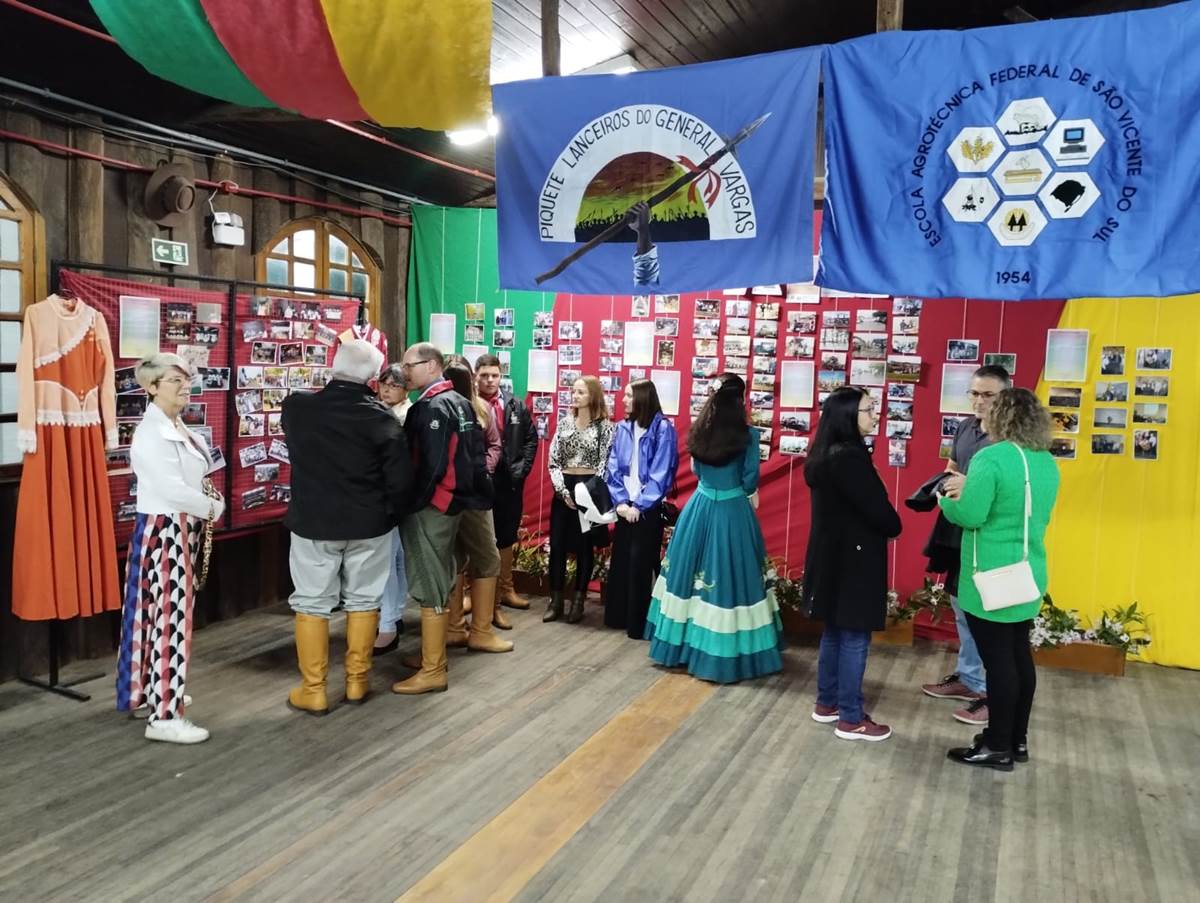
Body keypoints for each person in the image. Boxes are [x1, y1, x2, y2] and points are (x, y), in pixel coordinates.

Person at [282, 340, 411, 715]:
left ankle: (314, 689)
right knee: (365, 600)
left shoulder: (297, 407)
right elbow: (400, 481)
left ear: (333, 366)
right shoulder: (382, 419)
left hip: (313, 521)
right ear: (374, 376)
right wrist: (389, 514)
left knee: (311, 602)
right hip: (370, 523)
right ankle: (357, 681)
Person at [940, 388, 1059, 771]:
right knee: (1019, 657)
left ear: (1000, 417)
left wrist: (946, 498)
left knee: (999, 664)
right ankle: (1016, 740)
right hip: (1027, 573)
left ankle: (996, 745)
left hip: (990, 576)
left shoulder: (990, 457)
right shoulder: (1045, 461)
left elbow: (971, 515)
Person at [644, 373, 781, 682]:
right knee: (733, 578)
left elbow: (696, 469)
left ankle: (682, 646)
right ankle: (726, 651)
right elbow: (750, 479)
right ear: (741, 400)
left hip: (699, 507)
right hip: (733, 511)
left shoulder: (699, 430)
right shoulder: (749, 436)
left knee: (687, 577)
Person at [117, 353, 225, 744]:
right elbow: (171, 489)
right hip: (166, 531)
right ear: (151, 387)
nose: (184, 386)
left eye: (186, 378)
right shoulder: (152, 433)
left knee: (155, 617)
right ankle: (164, 716)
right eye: (174, 380)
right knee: (170, 621)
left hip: (175, 528)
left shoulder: (173, 424)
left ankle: (153, 691)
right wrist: (213, 507)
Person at [394, 343, 498, 695]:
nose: (405, 372)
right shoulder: (460, 402)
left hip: (434, 508)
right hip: (451, 504)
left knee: (430, 583)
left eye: (410, 365)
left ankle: (433, 668)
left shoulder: (433, 407)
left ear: (432, 365)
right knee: (440, 579)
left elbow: (433, 465)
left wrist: (417, 502)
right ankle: (433, 657)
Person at [802, 386, 902, 742]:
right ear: (847, 416)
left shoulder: (825, 453)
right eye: (868, 410)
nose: (876, 415)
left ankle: (828, 702)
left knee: (835, 631)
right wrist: (892, 521)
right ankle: (851, 717)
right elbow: (881, 514)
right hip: (854, 559)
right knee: (855, 636)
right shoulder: (848, 458)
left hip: (833, 555)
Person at [920, 364, 1011, 727]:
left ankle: (993, 693)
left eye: (988, 394)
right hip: (958, 527)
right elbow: (952, 467)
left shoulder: (1012, 438)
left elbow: (1007, 491)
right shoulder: (963, 428)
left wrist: (967, 488)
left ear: (1005, 396)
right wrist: (939, 486)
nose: (979, 401)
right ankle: (970, 679)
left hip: (990, 534)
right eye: (974, 393)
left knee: (989, 615)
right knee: (960, 604)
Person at [425, 354, 512, 650]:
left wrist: (483, 469)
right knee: (455, 559)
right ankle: (455, 628)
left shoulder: (480, 408)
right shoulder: (436, 408)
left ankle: (480, 631)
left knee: (485, 557)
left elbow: (494, 444)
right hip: (449, 498)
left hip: (474, 495)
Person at [603, 379, 678, 638]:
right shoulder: (622, 428)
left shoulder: (663, 429)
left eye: (628, 395)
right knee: (621, 562)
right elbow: (613, 467)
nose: (623, 399)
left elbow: (661, 473)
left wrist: (640, 505)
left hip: (647, 511)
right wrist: (621, 502)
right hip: (624, 508)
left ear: (642, 398)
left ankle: (638, 624)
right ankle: (618, 618)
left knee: (641, 565)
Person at [545, 377, 615, 624]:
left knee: (585, 547)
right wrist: (563, 491)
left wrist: (587, 492)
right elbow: (554, 461)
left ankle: (578, 600)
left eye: (581, 392)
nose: (575, 396)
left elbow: (605, 463)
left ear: (593, 395)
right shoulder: (564, 423)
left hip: (589, 490)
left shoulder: (605, 427)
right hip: (564, 489)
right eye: (573, 391)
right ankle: (555, 601)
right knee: (557, 546)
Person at [474, 354, 538, 617]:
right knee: (475, 536)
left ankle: (506, 589)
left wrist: (521, 471)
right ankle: (469, 593)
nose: (490, 380)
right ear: (476, 376)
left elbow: (531, 439)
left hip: (509, 481)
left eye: (495, 375)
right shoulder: (468, 404)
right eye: (484, 375)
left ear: (501, 376)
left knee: (507, 534)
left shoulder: (515, 404)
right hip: (479, 480)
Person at [374, 364, 413, 654]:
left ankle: (389, 620)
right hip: (388, 495)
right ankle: (395, 614)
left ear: (406, 389)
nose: (387, 390)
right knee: (395, 557)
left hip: (395, 495)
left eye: (394, 385)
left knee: (390, 561)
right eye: (383, 384)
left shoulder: (407, 415)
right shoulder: (379, 411)